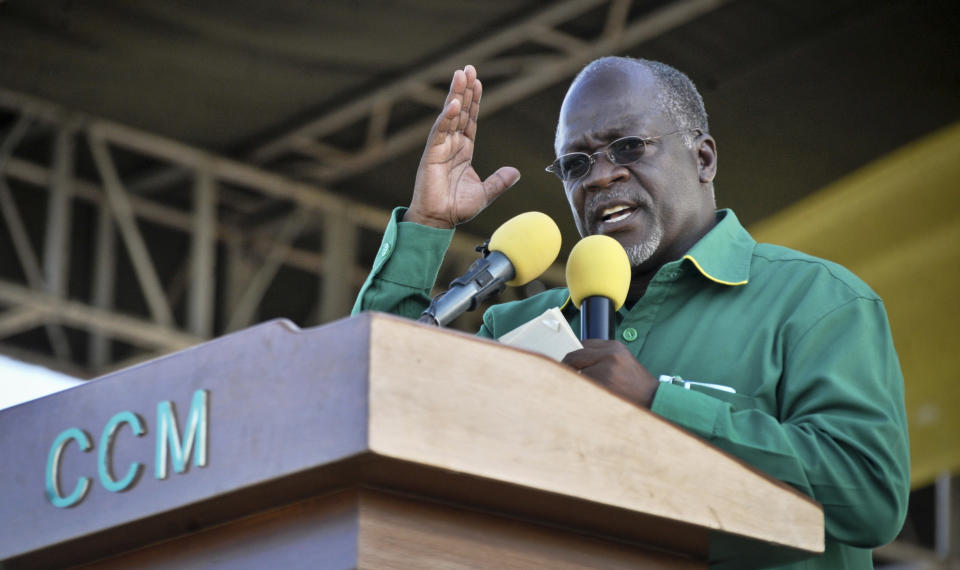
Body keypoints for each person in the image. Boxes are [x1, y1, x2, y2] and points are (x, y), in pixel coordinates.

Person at [352, 57, 909, 568]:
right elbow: (370, 410)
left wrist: (658, 403)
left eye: (627, 148)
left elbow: (869, 497)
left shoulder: (815, 300)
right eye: (575, 163)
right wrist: (426, 224)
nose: (598, 177)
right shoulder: (518, 328)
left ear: (703, 158)